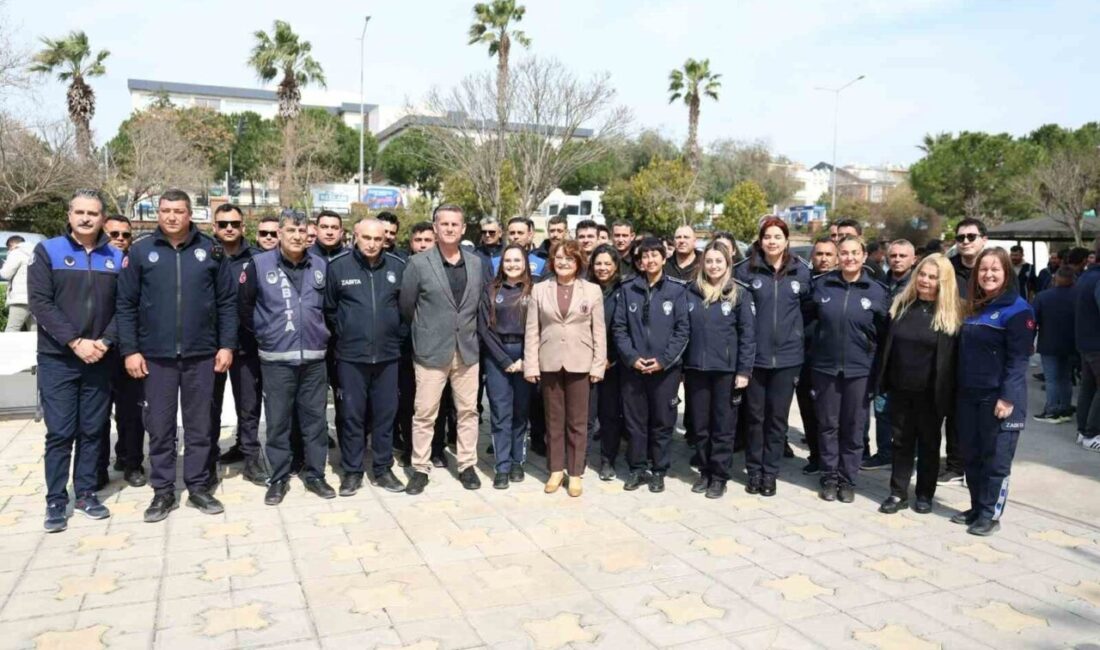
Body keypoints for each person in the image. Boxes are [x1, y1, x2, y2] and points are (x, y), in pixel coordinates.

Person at [117, 189, 236, 522]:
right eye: (166, 210)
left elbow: (227, 302)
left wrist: (226, 345)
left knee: (199, 427)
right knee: (160, 427)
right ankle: (163, 491)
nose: (172, 216)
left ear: (190, 214)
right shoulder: (141, 251)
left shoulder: (210, 249)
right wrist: (130, 350)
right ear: (158, 213)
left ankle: (198, 487)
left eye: (179, 211)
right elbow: (125, 305)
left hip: (202, 355)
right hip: (156, 357)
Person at [29, 189, 123, 532]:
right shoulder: (47, 251)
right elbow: (41, 303)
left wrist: (104, 341)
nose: (86, 218)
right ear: (69, 215)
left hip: (100, 356)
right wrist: (74, 341)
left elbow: (123, 307)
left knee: (92, 430)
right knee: (60, 432)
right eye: (80, 212)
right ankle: (56, 500)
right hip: (59, 359)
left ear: (103, 218)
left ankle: (85, 493)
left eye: (93, 213)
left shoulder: (114, 257)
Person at [238, 211, 335, 504]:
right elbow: (244, 308)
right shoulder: (258, 264)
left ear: (310, 234)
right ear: (279, 233)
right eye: (290, 229)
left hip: (315, 359)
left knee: (315, 421)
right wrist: (266, 333)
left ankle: (315, 474)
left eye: (301, 230)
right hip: (277, 358)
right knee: (278, 422)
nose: (296, 235)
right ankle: (278, 477)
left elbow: (330, 308)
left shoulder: (320, 266)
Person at [399, 204, 485, 495]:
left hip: (467, 351)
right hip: (431, 351)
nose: (449, 228)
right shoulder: (419, 263)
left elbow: (478, 306)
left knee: (468, 412)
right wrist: (427, 332)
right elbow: (407, 306)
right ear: (435, 228)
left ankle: (466, 465)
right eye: (443, 223)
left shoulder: (476, 263)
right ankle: (420, 468)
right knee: (425, 414)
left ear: (463, 229)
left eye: (455, 224)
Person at [953, 247, 1034, 536]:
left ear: (1006, 273)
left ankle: (991, 514)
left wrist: (1007, 397)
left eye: (995, 269)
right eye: (983, 269)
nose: (988, 274)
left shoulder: (1018, 309)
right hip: (968, 396)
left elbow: (1019, 359)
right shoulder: (974, 307)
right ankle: (977, 507)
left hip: (999, 399)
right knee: (972, 456)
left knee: (996, 460)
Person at [325, 219, 407, 495]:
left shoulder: (398, 266)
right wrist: (348, 333)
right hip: (351, 357)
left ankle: (383, 468)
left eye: (378, 238)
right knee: (352, 416)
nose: (372, 243)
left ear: (385, 239)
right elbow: (330, 309)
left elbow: (405, 309)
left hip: (388, 357)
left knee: (385, 415)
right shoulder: (338, 267)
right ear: (355, 237)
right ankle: (352, 470)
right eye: (366, 237)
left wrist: (395, 335)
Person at [876, 254, 960, 514]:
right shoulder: (901, 306)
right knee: (901, 442)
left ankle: (925, 494)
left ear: (943, 282)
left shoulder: (953, 315)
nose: (925, 280)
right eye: (922, 274)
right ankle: (897, 493)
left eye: (933, 277)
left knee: (929, 445)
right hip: (901, 389)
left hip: (931, 394)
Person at [807, 236, 888, 503]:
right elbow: (807, 323)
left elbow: (884, 335)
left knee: (853, 427)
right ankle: (829, 476)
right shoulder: (821, 286)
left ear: (864, 256)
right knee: (828, 425)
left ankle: (848, 479)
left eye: (855, 253)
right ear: (837, 256)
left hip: (860, 370)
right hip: (825, 369)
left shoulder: (876, 291)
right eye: (844, 253)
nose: (849, 258)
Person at [735, 217, 811, 496]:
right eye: (768, 236)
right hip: (755, 357)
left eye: (778, 236)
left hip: (788, 359)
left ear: (787, 240)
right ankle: (754, 471)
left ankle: (770, 473)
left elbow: (809, 311)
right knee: (755, 418)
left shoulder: (801, 272)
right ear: (760, 239)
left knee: (777, 420)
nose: (772, 241)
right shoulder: (745, 271)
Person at [525, 240, 606, 497]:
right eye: (559, 257)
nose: (563, 262)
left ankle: (575, 473)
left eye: (569, 259)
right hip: (549, 361)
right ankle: (556, 469)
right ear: (552, 261)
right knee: (554, 420)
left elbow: (599, 332)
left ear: (579, 262)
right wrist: (530, 364)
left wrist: (598, 365)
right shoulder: (540, 289)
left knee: (578, 421)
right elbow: (532, 330)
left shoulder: (592, 291)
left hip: (580, 362)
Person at [613, 237, 689, 492]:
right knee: (635, 422)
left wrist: (663, 361)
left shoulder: (677, 290)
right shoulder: (627, 289)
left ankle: (658, 470)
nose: (650, 260)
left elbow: (682, 330)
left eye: (655, 255)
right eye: (645, 256)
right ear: (639, 261)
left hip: (665, 370)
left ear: (664, 258)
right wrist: (633, 359)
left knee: (662, 421)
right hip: (633, 370)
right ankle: (637, 468)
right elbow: (619, 328)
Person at [683, 242, 755, 499]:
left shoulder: (739, 294)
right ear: (703, 264)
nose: (713, 266)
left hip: (726, 371)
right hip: (696, 370)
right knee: (700, 427)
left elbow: (748, 336)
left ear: (727, 264)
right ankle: (704, 471)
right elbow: (682, 331)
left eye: (718, 261)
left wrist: (743, 371)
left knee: (722, 427)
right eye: (709, 261)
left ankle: (719, 476)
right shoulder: (690, 292)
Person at [208, 204, 268, 487]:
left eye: (234, 223)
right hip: (211, 345)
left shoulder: (258, 258)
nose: (229, 228)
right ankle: (207, 458)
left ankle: (251, 456)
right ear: (214, 227)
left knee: (249, 404)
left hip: (247, 345)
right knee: (209, 406)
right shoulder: (204, 255)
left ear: (243, 226)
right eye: (223, 224)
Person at [479, 245, 534, 489]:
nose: (512, 264)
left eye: (517, 260)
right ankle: (501, 466)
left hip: (526, 355)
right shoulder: (491, 289)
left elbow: (540, 328)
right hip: (497, 356)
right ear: (501, 264)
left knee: (520, 413)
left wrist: (525, 359)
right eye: (507, 260)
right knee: (501, 413)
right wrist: (504, 360)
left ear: (525, 263)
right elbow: (484, 328)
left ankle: (516, 462)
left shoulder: (535, 290)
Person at [97, 215, 146, 489]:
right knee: (98, 414)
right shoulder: (92, 261)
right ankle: (98, 467)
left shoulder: (135, 263)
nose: (119, 239)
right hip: (95, 351)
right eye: (113, 233)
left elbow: (132, 308)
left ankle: (132, 461)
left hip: (129, 348)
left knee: (132, 412)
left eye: (125, 235)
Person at [862, 239, 918, 471]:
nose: (896, 260)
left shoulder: (919, 286)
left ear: (913, 259)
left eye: (902, 256)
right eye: (893, 255)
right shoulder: (880, 284)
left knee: (907, 413)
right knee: (882, 408)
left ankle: (909, 454)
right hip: (881, 357)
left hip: (909, 359)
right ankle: (885, 452)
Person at [940, 218, 987, 486]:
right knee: (954, 413)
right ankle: (955, 464)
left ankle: (977, 467)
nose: (966, 242)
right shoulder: (948, 269)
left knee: (982, 413)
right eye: (961, 238)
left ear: (984, 239)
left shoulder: (994, 267)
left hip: (984, 353)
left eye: (971, 236)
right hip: (951, 350)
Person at [796, 237, 837, 476]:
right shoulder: (804, 282)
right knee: (808, 408)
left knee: (829, 412)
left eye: (828, 254)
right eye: (819, 254)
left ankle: (832, 458)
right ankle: (816, 455)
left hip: (830, 356)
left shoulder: (841, 283)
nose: (823, 258)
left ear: (837, 257)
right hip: (804, 354)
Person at [587, 244, 625, 480]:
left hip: (614, 364)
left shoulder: (625, 289)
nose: (602, 268)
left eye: (607, 264)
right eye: (598, 263)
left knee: (610, 416)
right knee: (587, 415)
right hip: (587, 362)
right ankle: (578, 459)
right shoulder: (584, 288)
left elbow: (626, 328)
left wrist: (612, 359)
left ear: (615, 266)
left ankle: (607, 461)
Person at [1032, 266, 1077, 425]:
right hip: (1072, 344)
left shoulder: (1043, 297)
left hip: (1049, 343)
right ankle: (1065, 407)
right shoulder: (1078, 296)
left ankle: (1052, 410)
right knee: (1065, 378)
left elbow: (1033, 321)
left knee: (1052, 379)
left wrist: (1030, 341)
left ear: (1056, 278)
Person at [1075, 239, 1100, 450]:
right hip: (1096, 344)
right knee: (1090, 388)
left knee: (1088, 387)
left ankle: (1084, 431)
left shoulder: (1086, 276)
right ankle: (1091, 434)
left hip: (1086, 342)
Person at [2, 235, 34, 331]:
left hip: (20, 299)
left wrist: (5, 262)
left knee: (12, 329)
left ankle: (7, 347)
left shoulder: (16, 253)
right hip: (36, 298)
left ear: (12, 244)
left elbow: (5, 274)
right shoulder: (35, 253)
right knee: (35, 331)